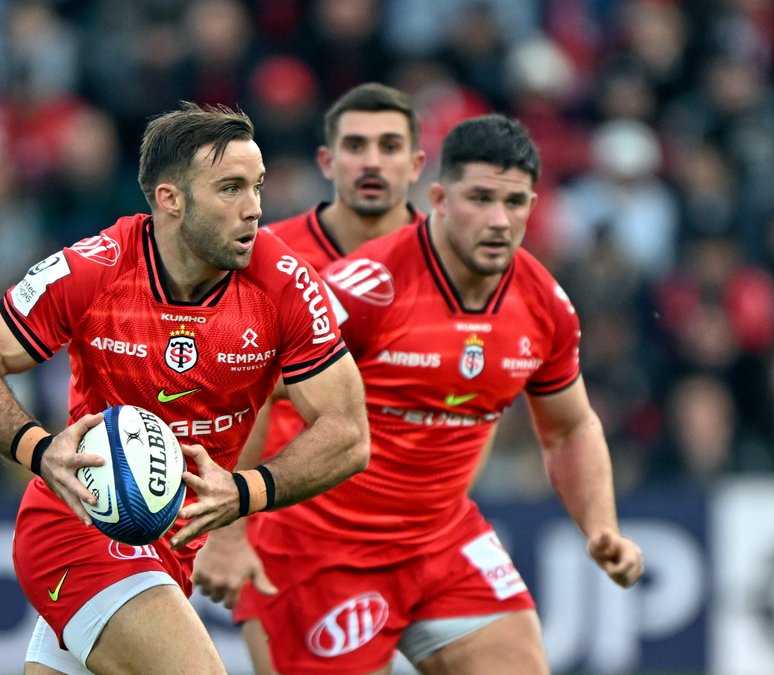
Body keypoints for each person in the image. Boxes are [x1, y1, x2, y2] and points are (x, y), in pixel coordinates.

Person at [0, 102, 370, 675]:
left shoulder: (284, 284)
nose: (254, 210)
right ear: (170, 199)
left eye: (257, 187)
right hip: (80, 528)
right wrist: (39, 448)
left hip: (170, 550)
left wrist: (245, 492)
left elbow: (348, 433)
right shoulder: (97, 269)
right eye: (231, 189)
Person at [234, 114, 645, 674]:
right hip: (320, 552)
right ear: (439, 198)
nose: (499, 220)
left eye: (516, 202)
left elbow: (570, 427)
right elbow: (254, 386)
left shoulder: (545, 305)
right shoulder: (369, 290)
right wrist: (230, 532)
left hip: (442, 542)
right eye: (480, 198)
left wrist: (601, 527)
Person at [189, 83, 427, 651]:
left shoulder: (455, 261)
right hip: (297, 537)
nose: (372, 160)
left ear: (417, 163)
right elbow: (239, 400)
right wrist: (227, 535)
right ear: (327, 160)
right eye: (355, 145)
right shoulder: (263, 258)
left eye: (390, 146)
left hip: (427, 535)